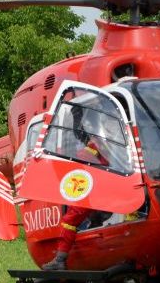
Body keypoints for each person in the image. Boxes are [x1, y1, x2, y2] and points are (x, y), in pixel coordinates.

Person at [42, 109, 110, 271]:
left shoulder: (97, 143)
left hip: (93, 189)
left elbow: (84, 157)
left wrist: (64, 159)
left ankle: (60, 259)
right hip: (103, 187)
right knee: (95, 220)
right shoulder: (107, 142)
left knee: (69, 221)